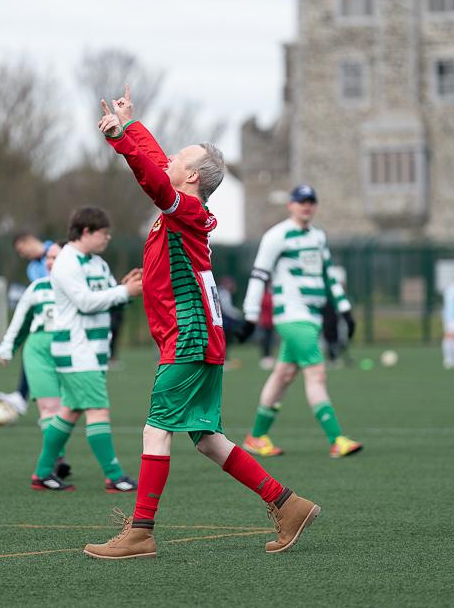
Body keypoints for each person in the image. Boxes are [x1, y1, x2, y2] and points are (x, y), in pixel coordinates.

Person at [83, 87, 320, 559]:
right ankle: (287, 504)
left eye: (179, 157)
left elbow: (153, 177)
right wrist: (132, 127)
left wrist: (121, 140)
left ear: (190, 176)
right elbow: (156, 165)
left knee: (155, 428)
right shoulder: (184, 207)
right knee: (208, 438)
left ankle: (141, 532)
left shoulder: (183, 208)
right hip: (202, 336)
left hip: (189, 336)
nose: (168, 157)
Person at [237, 184, 361, 459]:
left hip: (311, 316)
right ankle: (336, 439)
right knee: (316, 374)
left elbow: (329, 275)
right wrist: (250, 316)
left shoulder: (318, 236)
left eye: (311, 201)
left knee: (283, 375)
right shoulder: (277, 235)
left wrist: (345, 310)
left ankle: (256, 437)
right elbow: (259, 275)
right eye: (301, 201)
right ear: (290, 205)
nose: (307, 205)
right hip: (292, 316)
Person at [30, 207, 141, 492]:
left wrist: (125, 291)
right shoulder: (66, 261)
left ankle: (43, 473)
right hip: (76, 350)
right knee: (98, 410)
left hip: (93, 350)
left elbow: (105, 299)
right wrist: (122, 292)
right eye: (103, 233)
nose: (108, 238)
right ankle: (115, 476)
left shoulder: (98, 263)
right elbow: (85, 302)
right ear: (86, 232)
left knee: (70, 411)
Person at [0, 243, 71, 477]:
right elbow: (20, 321)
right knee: (50, 408)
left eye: (55, 257)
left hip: (72, 352)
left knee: (68, 410)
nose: (49, 262)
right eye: (48, 258)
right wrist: (7, 347)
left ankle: (55, 457)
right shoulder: (37, 288)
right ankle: (56, 459)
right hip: (39, 352)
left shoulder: (79, 289)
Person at [0, 231, 55, 408]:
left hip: (67, 317)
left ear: (30, 240)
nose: (22, 255)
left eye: (22, 250)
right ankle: (22, 395)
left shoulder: (57, 250)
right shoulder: (32, 268)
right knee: (33, 348)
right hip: (47, 319)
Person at [257, 287, 276, 370]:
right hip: (266, 321)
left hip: (270, 321)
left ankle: (267, 356)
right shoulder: (266, 296)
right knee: (266, 339)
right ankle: (265, 357)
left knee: (269, 339)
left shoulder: (267, 295)